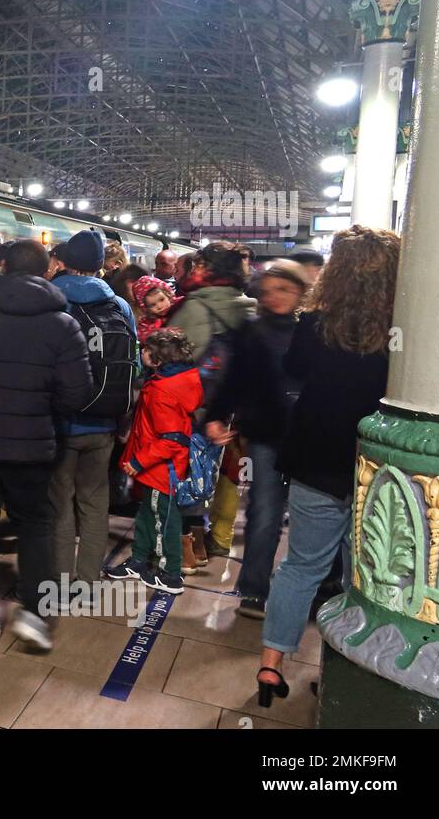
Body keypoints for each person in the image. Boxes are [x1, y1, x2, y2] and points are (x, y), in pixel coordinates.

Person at [256, 226, 400, 707]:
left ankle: (270, 666)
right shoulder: (403, 328)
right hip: (378, 467)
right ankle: (345, 664)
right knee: (363, 574)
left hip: (316, 456)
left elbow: (294, 371)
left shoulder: (316, 322)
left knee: (300, 566)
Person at [0, 241, 94, 651]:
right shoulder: (63, 324)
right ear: (48, 271)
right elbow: (77, 394)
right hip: (33, 446)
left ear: (1, 267)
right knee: (36, 525)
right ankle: (35, 614)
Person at [204, 260, 311, 619]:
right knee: (265, 513)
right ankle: (253, 591)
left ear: (300, 291)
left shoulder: (314, 330)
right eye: (268, 290)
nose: (275, 297)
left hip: (310, 436)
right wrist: (216, 415)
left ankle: (309, 591)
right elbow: (234, 378)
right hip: (266, 435)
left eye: (284, 289)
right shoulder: (251, 330)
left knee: (310, 519)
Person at [47, 230, 138, 594]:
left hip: (59, 420)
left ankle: (60, 578)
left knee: (59, 501)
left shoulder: (53, 300)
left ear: (65, 260)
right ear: (102, 265)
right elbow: (134, 364)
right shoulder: (120, 305)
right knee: (95, 500)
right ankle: (87, 580)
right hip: (103, 420)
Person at [166, 241, 255, 568]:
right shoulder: (249, 307)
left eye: (199, 264)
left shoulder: (196, 307)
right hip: (229, 409)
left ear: (207, 269)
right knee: (212, 474)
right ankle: (205, 542)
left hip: (194, 407)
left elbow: (172, 357)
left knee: (181, 474)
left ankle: (183, 551)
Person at [104, 329, 203, 595]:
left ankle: (170, 574)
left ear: (158, 359)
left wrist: (138, 460)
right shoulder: (169, 380)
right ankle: (138, 560)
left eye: (146, 350)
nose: (141, 352)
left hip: (161, 469)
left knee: (164, 521)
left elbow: (172, 439)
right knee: (147, 514)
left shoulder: (163, 392)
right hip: (154, 469)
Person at [131, 274, 181, 344]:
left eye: (162, 299)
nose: (160, 306)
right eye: (152, 305)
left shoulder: (181, 303)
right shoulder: (147, 323)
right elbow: (143, 336)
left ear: (168, 294)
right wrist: (162, 332)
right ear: (146, 308)